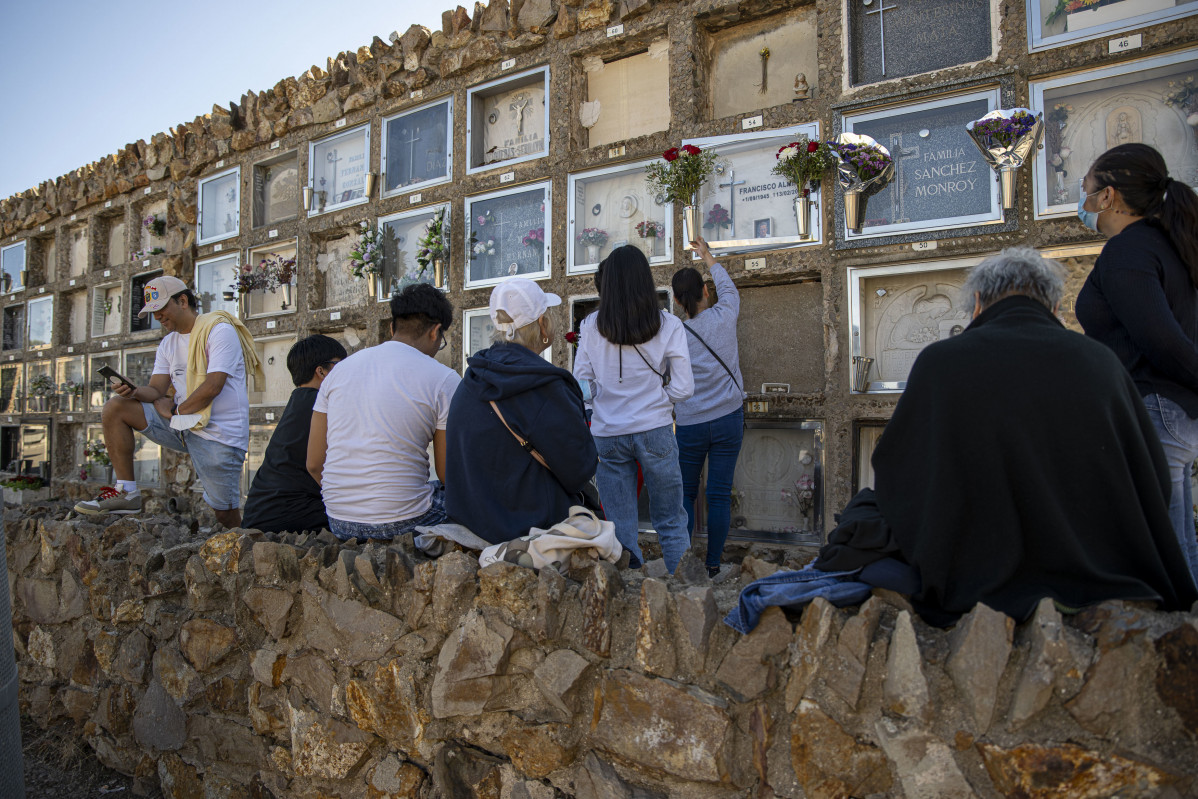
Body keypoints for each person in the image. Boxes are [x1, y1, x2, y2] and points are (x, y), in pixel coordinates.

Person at [813, 247, 1198, 626]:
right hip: (1102, 566)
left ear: (978, 302)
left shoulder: (943, 361)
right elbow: (1151, 477)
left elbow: (898, 473)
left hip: (974, 573)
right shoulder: (1100, 362)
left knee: (863, 514)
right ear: (1054, 307)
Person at [1075, 143, 1198, 588]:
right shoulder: (1165, 244)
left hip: (1154, 409)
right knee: (1178, 542)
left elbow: (1160, 338)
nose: (1082, 199)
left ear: (1107, 196)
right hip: (1173, 412)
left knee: (1156, 545)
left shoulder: (1128, 251)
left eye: (1086, 188)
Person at [75, 275, 262, 528]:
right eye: (153, 312)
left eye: (161, 309)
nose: (158, 317)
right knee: (115, 408)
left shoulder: (219, 330)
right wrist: (132, 391)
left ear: (182, 301)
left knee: (225, 514)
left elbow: (213, 385)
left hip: (219, 435)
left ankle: (246, 551)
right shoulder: (168, 343)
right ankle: (126, 492)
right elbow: (155, 390)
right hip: (181, 425)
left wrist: (174, 409)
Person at [445, 278, 597, 544]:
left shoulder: (471, 380)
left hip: (474, 524)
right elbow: (580, 469)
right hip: (534, 526)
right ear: (542, 323)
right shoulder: (546, 387)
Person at [573, 245, 694, 572]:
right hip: (655, 430)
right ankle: (685, 598)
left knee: (620, 527)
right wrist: (658, 398)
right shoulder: (668, 325)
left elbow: (582, 388)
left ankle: (626, 598)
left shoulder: (590, 326)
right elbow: (684, 388)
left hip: (607, 435)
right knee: (670, 520)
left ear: (608, 282)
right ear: (645, 280)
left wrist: (605, 392)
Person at [307, 283, 460, 541]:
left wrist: (356, 504)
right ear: (435, 332)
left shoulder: (338, 373)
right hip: (407, 520)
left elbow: (313, 463)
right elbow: (447, 474)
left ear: (391, 328)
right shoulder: (444, 379)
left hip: (339, 520)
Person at [671, 238, 746, 578]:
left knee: (685, 493)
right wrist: (706, 256)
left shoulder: (675, 334)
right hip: (729, 418)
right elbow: (729, 288)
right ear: (705, 291)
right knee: (718, 494)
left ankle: (684, 565)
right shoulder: (725, 314)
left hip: (690, 424)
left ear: (677, 301)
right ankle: (713, 565)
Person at [241, 335, 347, 534]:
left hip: (259, 514)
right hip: (291, 514)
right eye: (341, 366)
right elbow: (315, 466)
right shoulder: (322, 405)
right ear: (321, 371)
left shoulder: (298, 401)